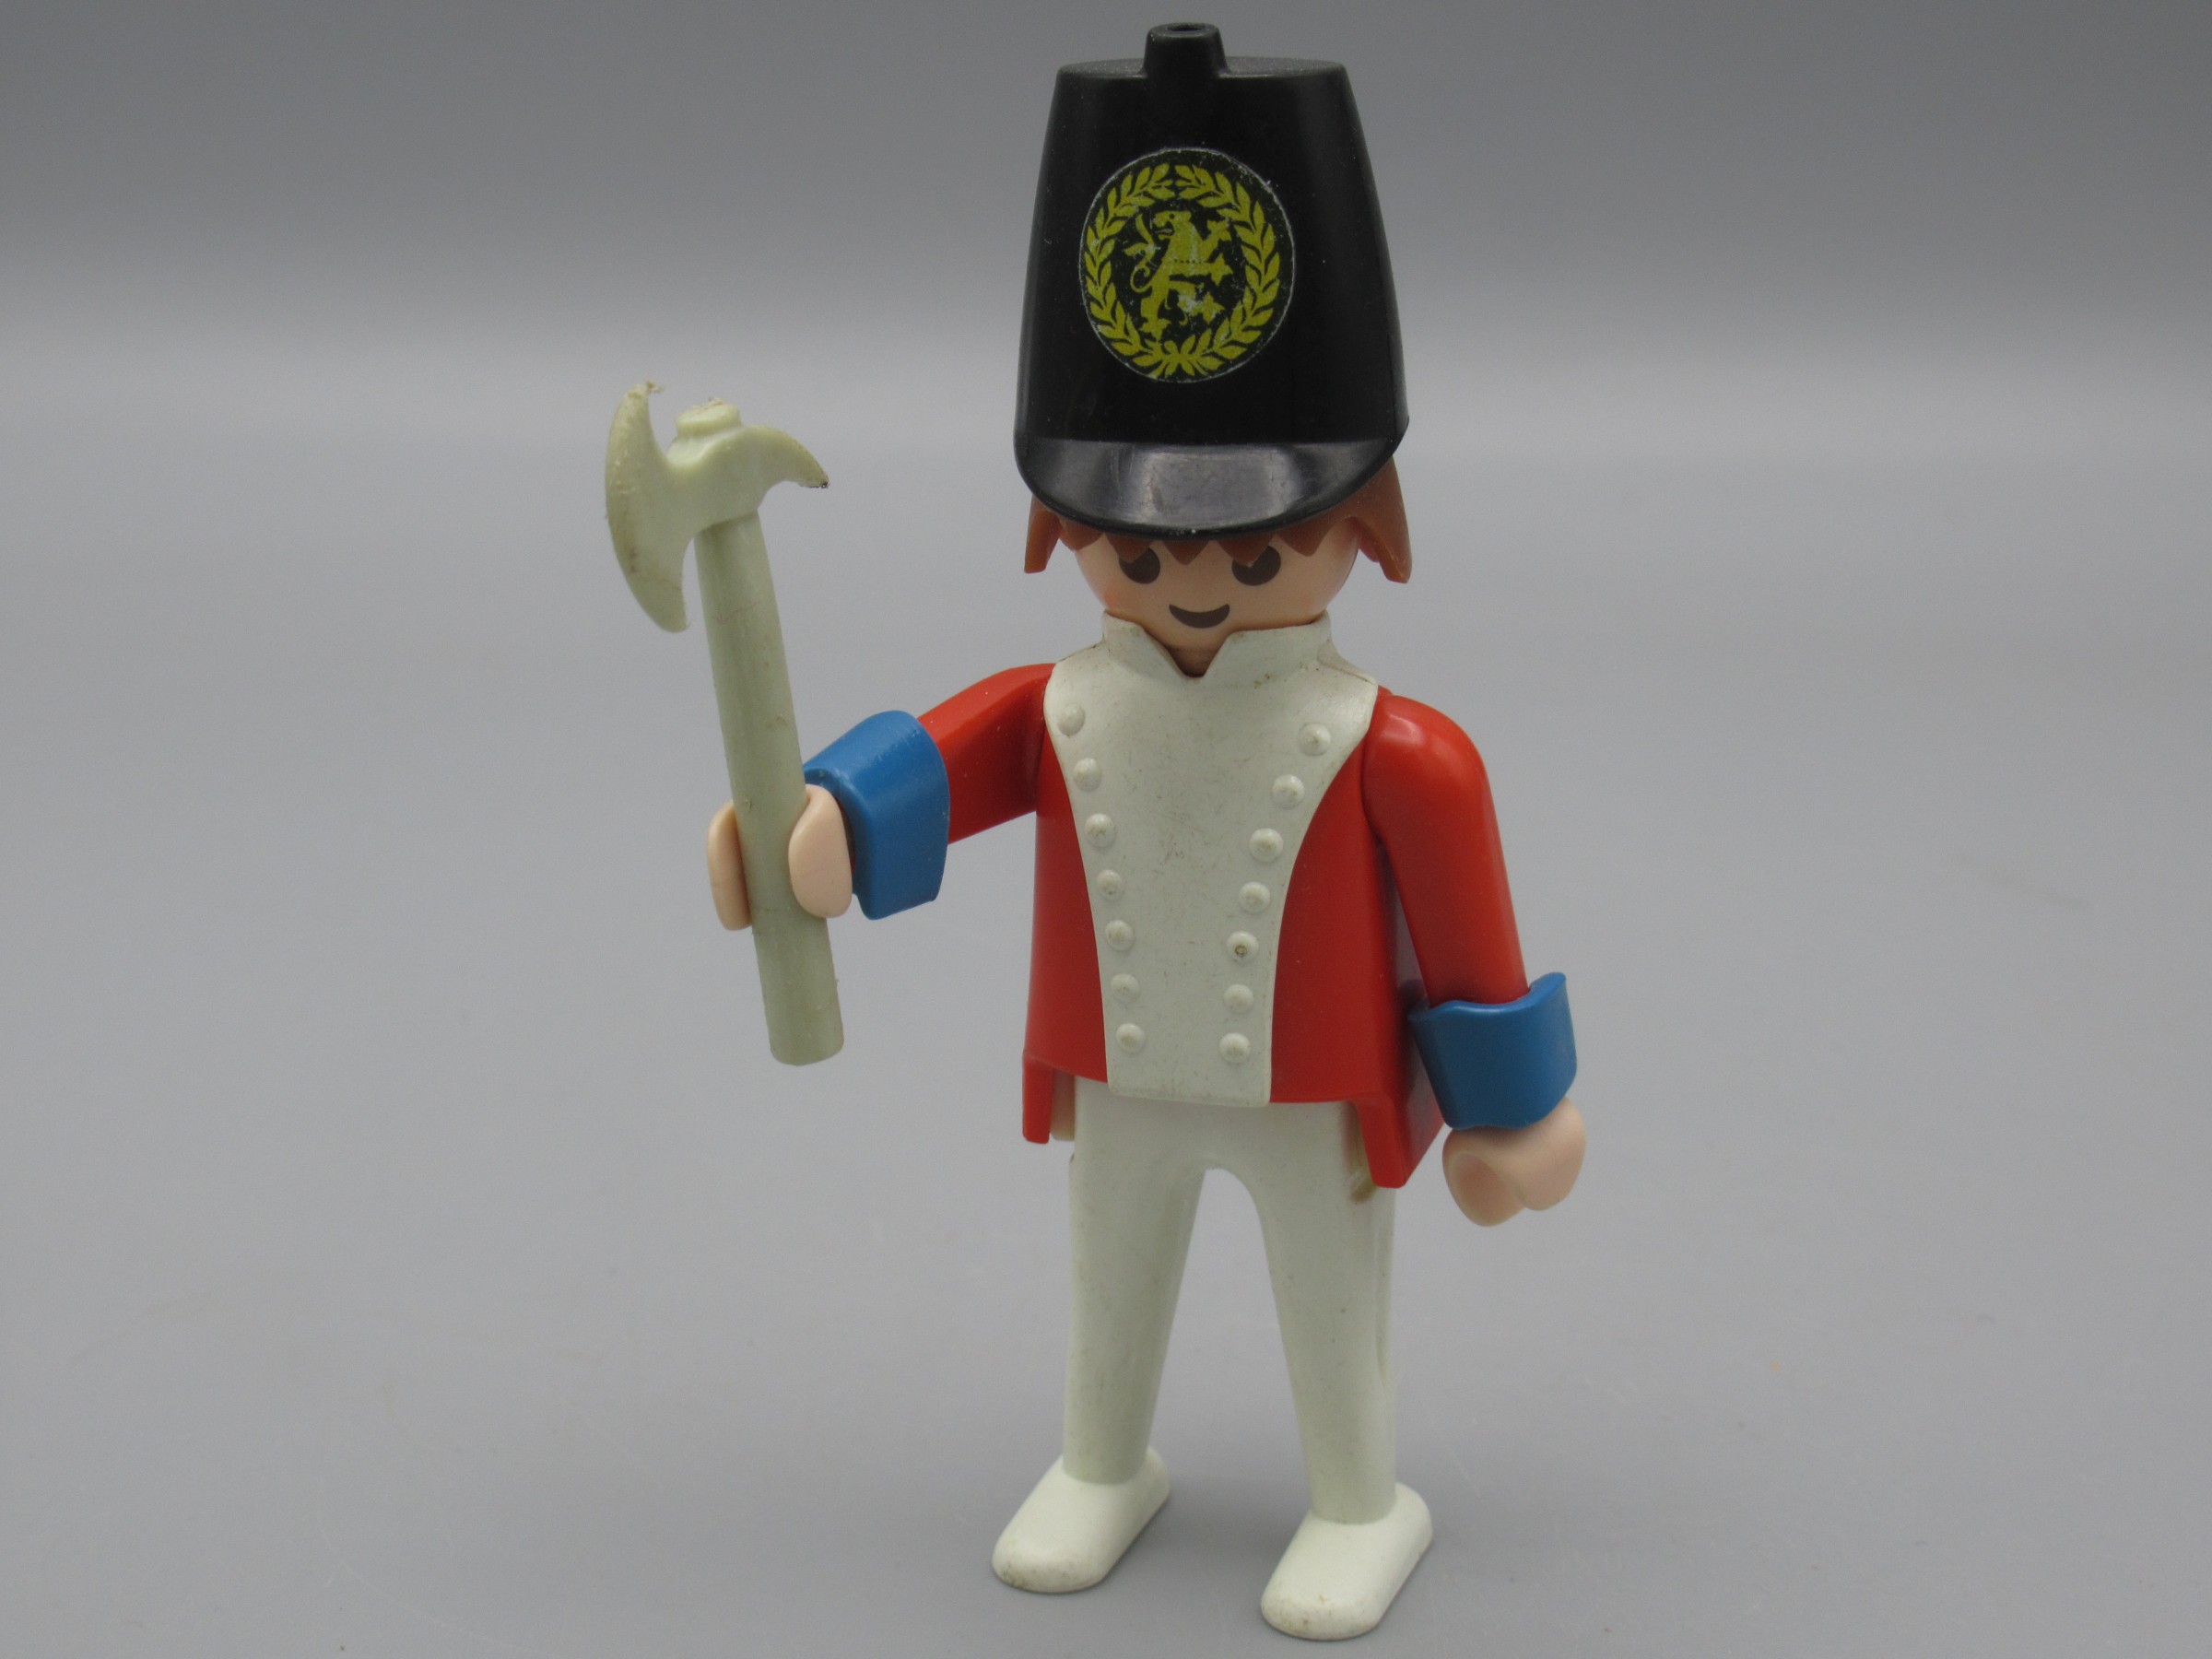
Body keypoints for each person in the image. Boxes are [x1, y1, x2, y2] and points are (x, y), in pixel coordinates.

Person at [702, 24, 1583, 1641]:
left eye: (1255, 554)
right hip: (1112, 1067)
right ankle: (1102, 1462)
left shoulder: (1398, 752)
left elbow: (1471, 940)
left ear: (1360, 529)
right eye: (1139, 545)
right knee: (1107, 1284)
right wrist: (822, 825)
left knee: (1329, 1305)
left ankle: (1356, 1497)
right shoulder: (1067, 705)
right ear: (1066, 530)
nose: (1193, 581)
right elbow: (945, 763)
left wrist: (1515, 1112)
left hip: (1311, 1086)